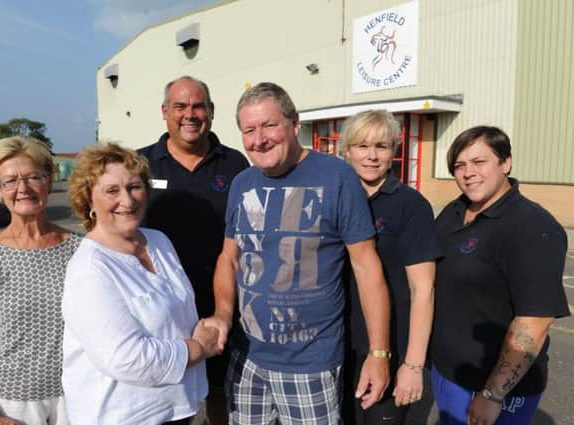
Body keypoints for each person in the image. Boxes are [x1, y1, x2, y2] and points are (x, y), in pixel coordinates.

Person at [205, 82, 391, 424]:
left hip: (310, 363)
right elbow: (229, 257)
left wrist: (379, 353)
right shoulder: (243, 183)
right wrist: (221, 314)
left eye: (269, 125)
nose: (259, 139)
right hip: (246, 359)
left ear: (294, 124)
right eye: (249, 130)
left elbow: (366, 266)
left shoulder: (337, 178)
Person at [62, 142, 220, 425]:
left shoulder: (158, 241)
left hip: (174, 409)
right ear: (88, 201)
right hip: (122, 415)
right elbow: (125, 357)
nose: (128, 200)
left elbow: (177, 309)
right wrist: (198, 349)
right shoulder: (90, 268)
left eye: (134, 186)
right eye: (111, 190)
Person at [430, 126, 570, 425]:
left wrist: (493, 394)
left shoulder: (532, 229)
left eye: (479, 162)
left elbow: (534, 322)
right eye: (459, 165)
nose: (468, 173)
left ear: (505, 163)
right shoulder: (454, 212)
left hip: (495, 388)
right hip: (447, 372)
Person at [137, 75, 249, 425]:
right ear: (164, 112)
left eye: (198, 106)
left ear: (211, 112)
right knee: (162, 397)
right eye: (180, 106)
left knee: (219, 392)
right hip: (158, 308)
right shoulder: (138, 165)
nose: (190, 114)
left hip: (219, 303)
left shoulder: (235, 165)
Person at [0, 136, 81, 425]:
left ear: (49, 181)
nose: (22, 189)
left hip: (78, 395)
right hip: (14, 403)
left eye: (32, 177)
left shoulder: (80, 249)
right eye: (10, 181)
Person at [340, 110, 442, 424]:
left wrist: (412, 365)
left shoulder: (409, 205)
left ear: (394, 152)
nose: (371, 156)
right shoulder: (337, 198)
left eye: (381, 147)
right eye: (362, 146)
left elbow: (422, 289)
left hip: (390, 346)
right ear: (347, 151)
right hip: (338, 345)